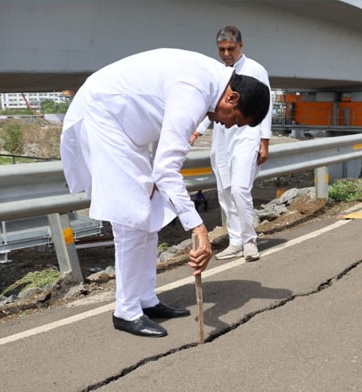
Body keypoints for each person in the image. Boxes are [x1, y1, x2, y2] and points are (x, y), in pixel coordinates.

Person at [60, 48, 270, 338]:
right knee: (132, 219)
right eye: (234, 119)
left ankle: (146, 299)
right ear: (232, 98)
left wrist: (159, 182)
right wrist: (199, 229)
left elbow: (166, 145)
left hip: (129, 128)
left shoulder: (210, 84)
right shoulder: (194, 93)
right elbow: (166, 169)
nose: (227, 125)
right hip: (103, 116)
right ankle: (126, 311)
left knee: (151, 213)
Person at [190, 26, 273, 262]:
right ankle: (235, 240)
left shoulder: (256, 70)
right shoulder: (218, 72)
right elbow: (210, 104)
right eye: (222, 49)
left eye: (231, 48)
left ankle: (249, 241)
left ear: (241, 46)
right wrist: (197, 132)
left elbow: (265, 108)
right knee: (224, 191)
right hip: (223, 136)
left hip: (248, 134)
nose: (226, 53)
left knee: (239, 189)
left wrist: (264, 142)